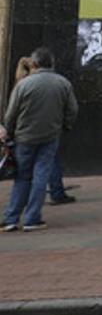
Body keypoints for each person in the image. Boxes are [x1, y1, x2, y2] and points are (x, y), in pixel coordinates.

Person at [2, 48, 79, 232]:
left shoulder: (24, 85)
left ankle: (11, 218)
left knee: (22, 177)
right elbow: (72, 110)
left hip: (24, 137)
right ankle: (32, 218)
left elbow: (11, 113)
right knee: (41, 176)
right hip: (50, 136)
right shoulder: (63, 83)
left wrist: (9, 133)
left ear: (34, 64)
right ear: (52, 63)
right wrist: (65, 126)